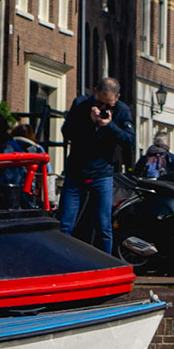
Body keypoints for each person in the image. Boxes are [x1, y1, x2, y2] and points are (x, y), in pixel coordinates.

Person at [58, 78, 135, 254]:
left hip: (102, 173)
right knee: (65, 223)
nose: (103, 108)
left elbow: (129, 140)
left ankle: (106, 264)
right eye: (100, 103)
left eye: (108, 105)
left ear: (117, 98)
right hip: (77, 172)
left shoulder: (122, 110)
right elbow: (66, 132)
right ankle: (62, 261)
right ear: (94, 92)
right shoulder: (80, 104)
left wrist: (109, 126)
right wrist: (88, 121)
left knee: (104, 225)